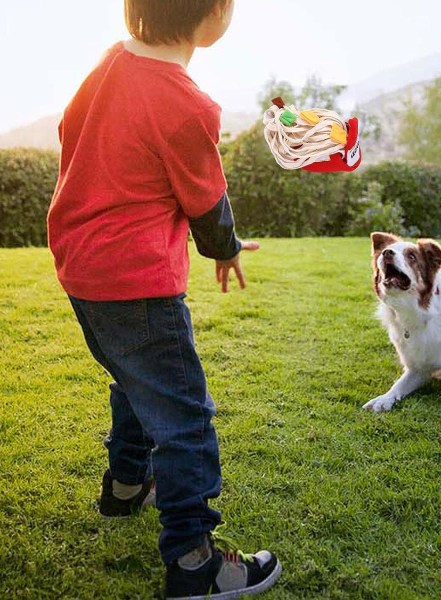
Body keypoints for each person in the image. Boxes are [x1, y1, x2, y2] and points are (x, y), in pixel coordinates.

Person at [47, 1, 281, 598]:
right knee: (183, 415)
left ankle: (126, 485)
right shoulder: (188, 103)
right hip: (138, 282)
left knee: (133, 379)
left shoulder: (108, 64)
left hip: (82, 272)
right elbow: (205, 195)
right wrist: (223, 249)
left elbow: (72, 138)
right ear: (212, 16)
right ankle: (195, 560)